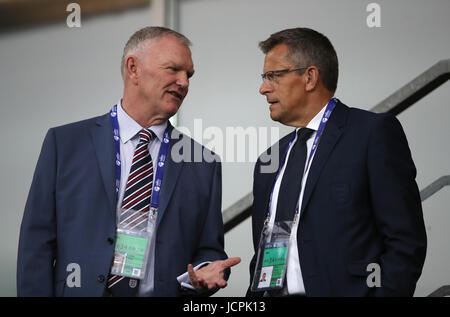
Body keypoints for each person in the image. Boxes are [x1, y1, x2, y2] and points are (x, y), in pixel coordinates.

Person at [17, 26, 240, 297]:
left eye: (189, 74)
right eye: (173, 69)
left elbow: (209, 250)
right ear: (133, 68)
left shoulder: (203, 163)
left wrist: (204, 272)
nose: (184, 82)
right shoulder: (64, 144)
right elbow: (36, 244)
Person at [247, 27, 427, 297]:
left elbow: (405, 241)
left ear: (309, 77)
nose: (263, 88)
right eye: (264, 77)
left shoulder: (372, 134)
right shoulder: (268, 161)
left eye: (273, 76)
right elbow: (265, 250)